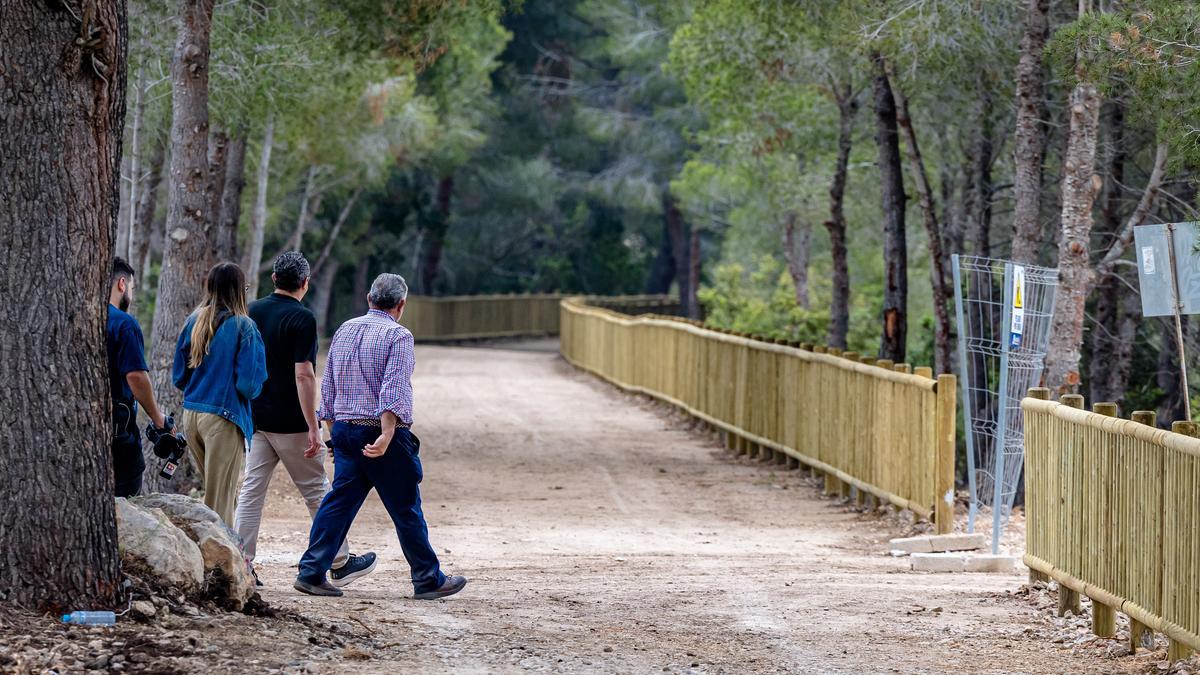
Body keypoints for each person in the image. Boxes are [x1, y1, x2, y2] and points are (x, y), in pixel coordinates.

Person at [294, 273, 466, 599]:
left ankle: (312, 571)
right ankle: (427, 578)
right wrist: (387, 434)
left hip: (345, 428)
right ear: (400, 305)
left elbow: (328, 384)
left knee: (339, 502)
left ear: (370, 299)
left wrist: (333, 433)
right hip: (379, 434)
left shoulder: (344, 330)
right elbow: (393, 388)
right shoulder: (398, 336)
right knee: (405, 506)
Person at [236, 252, 376, 587]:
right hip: (291, 421)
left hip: (255, 417)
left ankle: (241, 562)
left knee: (251, 492)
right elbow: (304, 375)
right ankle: (339, 561)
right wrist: (314, 426)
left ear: (273, 279)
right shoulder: (302, 319)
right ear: (305, 282)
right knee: (317, 490)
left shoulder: (251, 311)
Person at [173, 262, 268, 524]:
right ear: (240, 290)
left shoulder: (193, 320)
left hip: (192, 415)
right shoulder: (244, 327)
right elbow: (248, 385)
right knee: (220, 501)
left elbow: (179, 377)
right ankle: (221, 563)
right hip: (222, 418)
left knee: (218, 494)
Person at [106, 257, 173, 497]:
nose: (131, 294)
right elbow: (135, 376)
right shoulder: (124, 324)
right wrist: (158, 417)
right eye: (132, 288)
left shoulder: (81, 317)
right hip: (118, 432)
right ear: (121, 284)